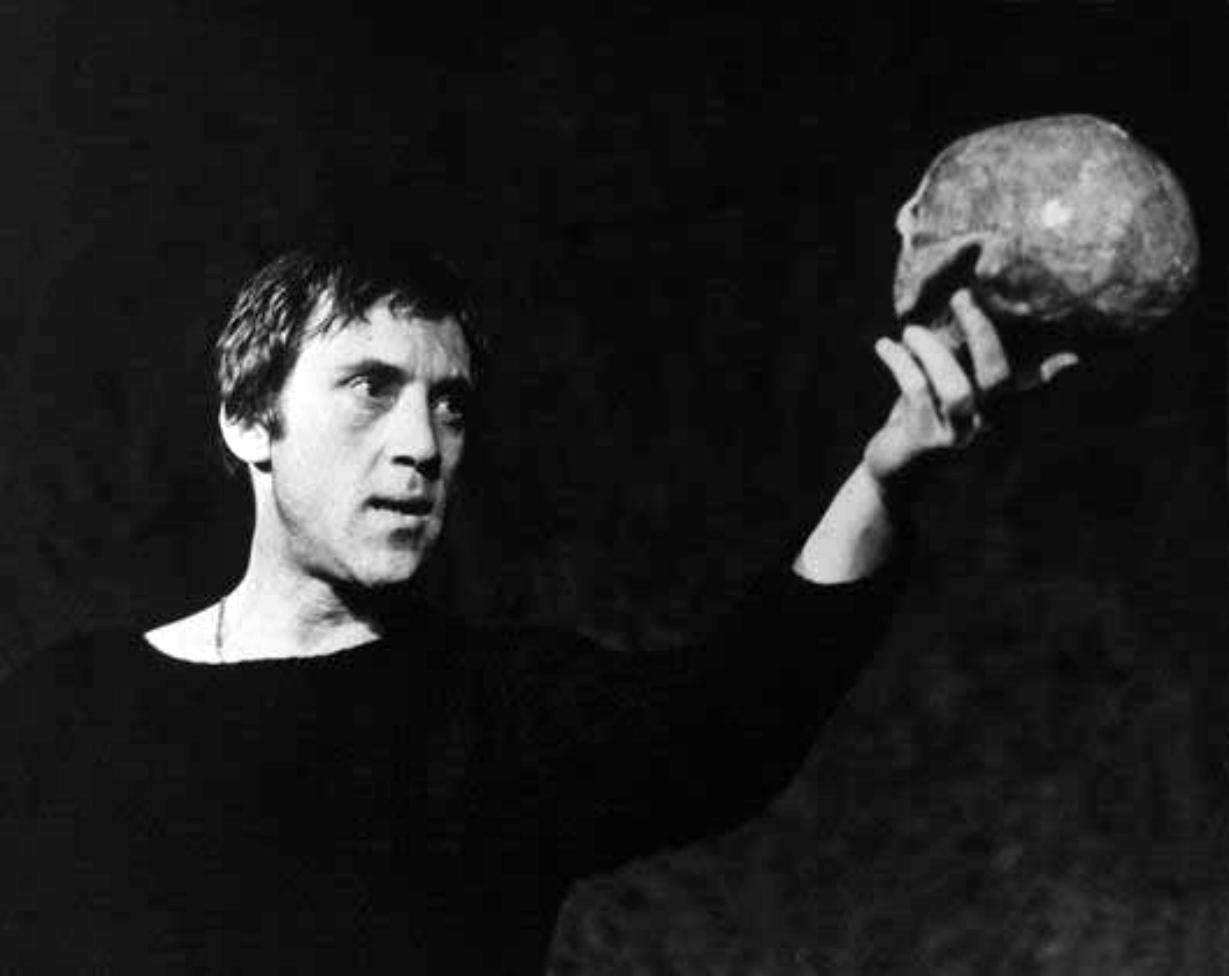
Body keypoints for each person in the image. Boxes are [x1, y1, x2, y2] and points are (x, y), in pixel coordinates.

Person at [0, 244, 1077, 972]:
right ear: (249, 420)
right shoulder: (63, 711)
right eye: (371, 388)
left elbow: (739, 711)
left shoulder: (495, 715)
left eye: (449, 405)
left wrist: (883, 481)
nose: (421, 445)